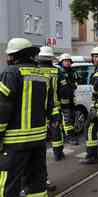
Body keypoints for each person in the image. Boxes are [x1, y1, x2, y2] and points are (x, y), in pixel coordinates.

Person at [0, 38, 57, 196]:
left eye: (10, 55)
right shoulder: (43, 75)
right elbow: (49, 106)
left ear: (16, 56)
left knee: (8, 183)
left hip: (14, 141)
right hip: (38, 139)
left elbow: (3, 108)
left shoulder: (10, 72)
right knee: (36, 182)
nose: (7, 58)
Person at [38, 46, 65, 161]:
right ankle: (58, 154)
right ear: (51, 58)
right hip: (54, 107)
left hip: (38, 109)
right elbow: (64, 89)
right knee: (56, 131)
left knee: (39, 133)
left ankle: (38, 157)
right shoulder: (57, 71)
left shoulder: (36, 70)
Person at [58, 53, 79, 145]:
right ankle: (69, 137)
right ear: (61, 62)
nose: (67, 63)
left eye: (68, 61)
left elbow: (77, 82)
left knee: (72, 118)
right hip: (62, 100)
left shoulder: (72, 71)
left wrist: (74, 85)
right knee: (66, 119)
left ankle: (68, 135)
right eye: (65, 61)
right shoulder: (59, 72)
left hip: (71, 99)